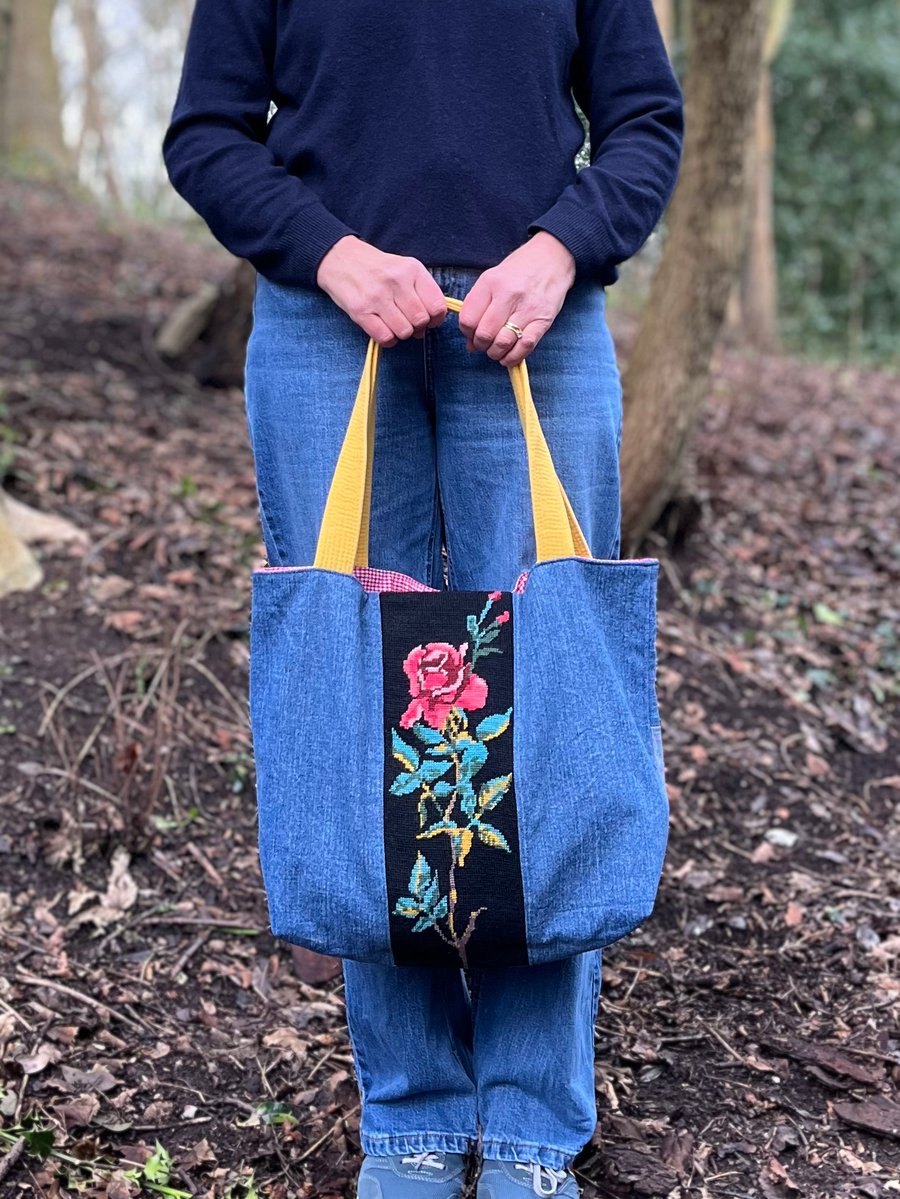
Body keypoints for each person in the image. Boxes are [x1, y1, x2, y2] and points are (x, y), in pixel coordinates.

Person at [162, 2, 684, 1195]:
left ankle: (529, 1129)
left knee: (543, 717)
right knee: (363, 709)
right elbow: (207, 134)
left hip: (541, 333)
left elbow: (646, 120)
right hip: (324, 327)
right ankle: (409, 1116)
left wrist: (559, 250)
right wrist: (333, 253)